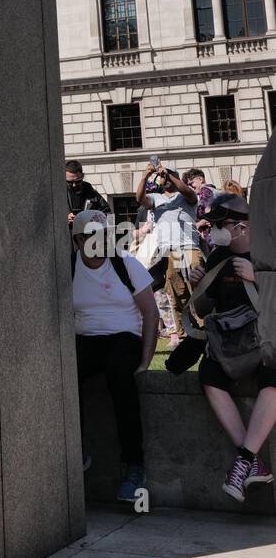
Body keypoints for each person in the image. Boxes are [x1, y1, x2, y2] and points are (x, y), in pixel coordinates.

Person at [188, 191, 276, 502]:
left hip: (266, 339)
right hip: (232, 344)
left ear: (242, 226)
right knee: (209, 375)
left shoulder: (268, 253)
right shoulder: (216, 257)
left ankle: (243, 460)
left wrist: (260, 280)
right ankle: (250, 460)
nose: (214, 231)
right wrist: (200, 285)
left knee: (274, 374)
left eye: (220, 224)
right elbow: (202, 311)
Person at [72, 209, 159, 501]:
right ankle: (75, 451)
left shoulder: (126, 264)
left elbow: (150, 313)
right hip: (86, 338)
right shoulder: (69, 268)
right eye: (92, 236)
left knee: (119, 374)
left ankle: (134, 466)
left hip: (124, 336)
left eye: (104, 234)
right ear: (77, 240)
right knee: (64, 376)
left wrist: (146, 360)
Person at [136, 161, 202, 339]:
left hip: (189, 248)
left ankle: (205, 327)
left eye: (168, 176)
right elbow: (140, 198)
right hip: (168, 252)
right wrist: (145, 176)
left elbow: (188, 192)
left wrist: (169, 173)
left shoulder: (185, 196)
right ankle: (184, 334)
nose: (164, 178)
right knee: (177, 294)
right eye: (162, 176)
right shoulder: (156, 198)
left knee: (197, 289)